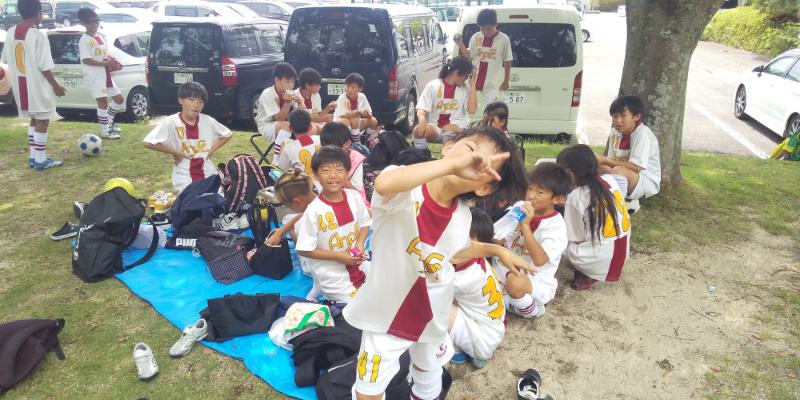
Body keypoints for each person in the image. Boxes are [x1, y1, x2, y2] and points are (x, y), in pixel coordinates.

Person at [343, 127, 531, 400]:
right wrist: (452, 165)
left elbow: (454, 254)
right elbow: (384, 184)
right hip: (386, 312)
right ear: (448, 146)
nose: (472, 161)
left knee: (428, 371)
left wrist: (496, 250)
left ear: (484, 187)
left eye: (484, 164)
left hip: (434, 309)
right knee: (369, 389)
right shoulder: (405, 186)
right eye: (471, 150)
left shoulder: (463, 217)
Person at [295, 146, 372, 303]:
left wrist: (360, 244)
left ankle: (317, 289)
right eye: (326, 170)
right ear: (315, 175)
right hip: (331, 274)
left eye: (339, 170)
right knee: (360, 306)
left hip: (358, 263)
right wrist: (337, 256)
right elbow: (304, 249)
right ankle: (321, 288)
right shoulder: (314, 211)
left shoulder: (354, 197)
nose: (333, 176)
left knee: (385, 285)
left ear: (347, 173)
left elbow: (365, 224)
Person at [497, 162, 569, 318]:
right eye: (529, 188)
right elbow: (496, 240)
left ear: (557, 199)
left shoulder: (556, 226)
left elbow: (539, 260)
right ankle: (507, 299)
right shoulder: (520, 207)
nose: (531, 195)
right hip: (505, 267)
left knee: (515, 283)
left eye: (540, 192)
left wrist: (525, 226)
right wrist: (508, 227)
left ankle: (533, 310)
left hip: (534, 279)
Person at [1, 0, 67, 170]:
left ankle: (33, 156)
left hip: (20, 85)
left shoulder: (10, 32)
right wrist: (56, 85)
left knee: (34, 118)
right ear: (38, 13)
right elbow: (44, 66)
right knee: (43, 120)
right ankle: (40, 160)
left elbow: (6, 58)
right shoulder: (38, 36)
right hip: (36, 85)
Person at [557, 144, 631, 291]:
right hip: (622, 254)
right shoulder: (610, 180)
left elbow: (576, 238)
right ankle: (593, 267)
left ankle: (588, 271)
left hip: (599, 259)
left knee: (556, 238)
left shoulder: (576, 197)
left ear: (571, 174)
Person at [143, 82, 232, 192]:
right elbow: (148, 142)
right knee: (191, 198)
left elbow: (227, 134)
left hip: (207, 171)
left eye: (200, 102)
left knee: (214, 198)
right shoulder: (171, 122)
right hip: (184, 173)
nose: (196, 104)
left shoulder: (207, 121)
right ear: (180, 100)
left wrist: (212, 150)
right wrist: (176, 152)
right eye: (191, 100)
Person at [448, 208, 505, 369]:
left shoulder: (462, 279)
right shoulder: (479, 261)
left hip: (482, 341)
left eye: (466, 242)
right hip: (493, 329)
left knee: (436, 304)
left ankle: (457, 351)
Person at [596, 95, 661, 210]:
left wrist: (606, 160)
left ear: (637, 116)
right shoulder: (615, 132)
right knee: (597, 165)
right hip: (622, 173)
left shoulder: (643, 134)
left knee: (618, 171)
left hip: (644, 179)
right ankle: (605, 198)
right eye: (615, 116)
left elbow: (636, 167)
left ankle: (619, 204)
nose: (618, 121)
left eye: (623, 116)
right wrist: (601, 161)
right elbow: (611, 160)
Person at [78, 8, 125, 140]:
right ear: (83, 23)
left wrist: (112, 61)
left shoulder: (100, 37)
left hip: (106, 74)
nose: (95, 25)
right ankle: (105, 131)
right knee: (102, 102)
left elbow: (104, 54)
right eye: (91, 22)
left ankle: (109, 123)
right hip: (94, 76)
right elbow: (86, 60)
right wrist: (105, 64)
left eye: (96, 21)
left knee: (119, 99)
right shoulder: (84, 40)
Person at [413, 56, 478, 150]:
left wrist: (472, 85)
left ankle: (448, 156)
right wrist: (422, 121)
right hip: (437, 128)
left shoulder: (466, 88)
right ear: (457, 72)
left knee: (448, 128)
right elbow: (421, 107)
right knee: (417, 131)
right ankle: (422, 155)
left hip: (458, 128)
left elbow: (472, 110)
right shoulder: (433, 85)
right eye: (466, 75)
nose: (466, 79)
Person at [454, 8, 513, 105]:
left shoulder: (503, 39)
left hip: (491, 85)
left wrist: (506, 80)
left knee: (493, 110)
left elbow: (507, 60)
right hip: (473, 82)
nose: (485, 32)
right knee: (468, 109)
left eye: (488, 28)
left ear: (496, 24)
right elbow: (469, 58)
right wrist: (460, 44)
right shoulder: (476, 37)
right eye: (482, 29)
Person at [255, 62, 300, 162]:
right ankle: (276, 162)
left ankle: (304, 158)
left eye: (293, 82)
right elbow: (279, 118)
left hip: (286, 125)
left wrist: (300, 103)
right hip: (267, 125)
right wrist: (287, 103)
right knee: (287, 126)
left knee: (308, 127)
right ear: (277, 80)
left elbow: (301, 115)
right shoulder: (268, 94)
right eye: (287, 82)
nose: (290, 85)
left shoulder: (292, 93)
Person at [320, 121, 368, 207]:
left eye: (336, 147)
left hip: (353, 201)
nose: (331, 152)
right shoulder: (321, 157)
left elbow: (356, 190)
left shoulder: (355, 159)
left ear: (348, 143)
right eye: (327, 147)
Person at [333, 72, 379, 145]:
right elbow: (343, 116)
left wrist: (368, 114)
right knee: (353, 120)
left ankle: (367, 140)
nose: (349, 89)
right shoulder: (342, 98)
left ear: (360, 89)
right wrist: (359, 113)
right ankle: (357, 144)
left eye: (353, 87)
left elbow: (369, 113)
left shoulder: (362, 97)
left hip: (356, 126)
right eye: (348, 86)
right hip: (342, 125)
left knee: (373, 121)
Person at [276, 109, 321, 175]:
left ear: (290, 128)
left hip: (305, 181)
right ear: (310, 128)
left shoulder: (289, 147)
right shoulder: (320, 139)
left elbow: (280, 170)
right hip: (324, 179)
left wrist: (282, 149)